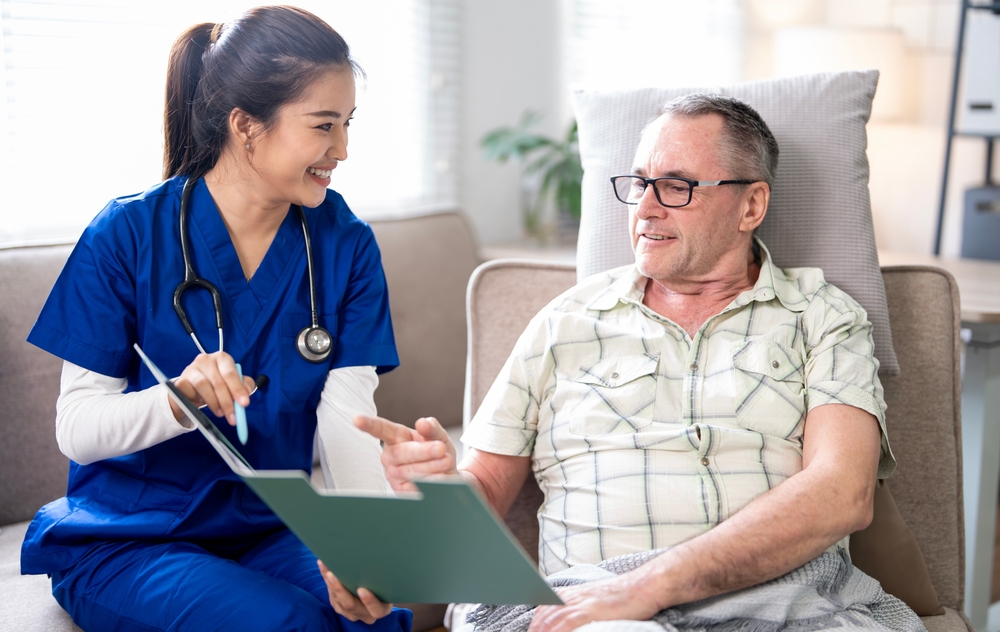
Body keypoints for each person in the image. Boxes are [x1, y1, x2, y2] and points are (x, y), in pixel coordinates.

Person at [356, 95, 899, 631]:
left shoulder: (822, 316)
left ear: (751, 206)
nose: (644, 209)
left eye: (677, 186)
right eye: (640, 183)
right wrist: (439, 487)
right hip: (592, 609)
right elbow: (487, 486)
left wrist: (646, 587)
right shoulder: (565, 322)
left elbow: (842, 492)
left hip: (784, 604)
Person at [21, 6, 411, 631]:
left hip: (267, 527)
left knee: (373, 617)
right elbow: (78, 429)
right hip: (133, 538)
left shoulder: (345, 243)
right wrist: (176, 402)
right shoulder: (127, 234)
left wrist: (366, 554)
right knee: (285, 625)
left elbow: (347, 419)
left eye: (348, 124)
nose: (342, 150)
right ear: (245, 125)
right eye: (323, 126)